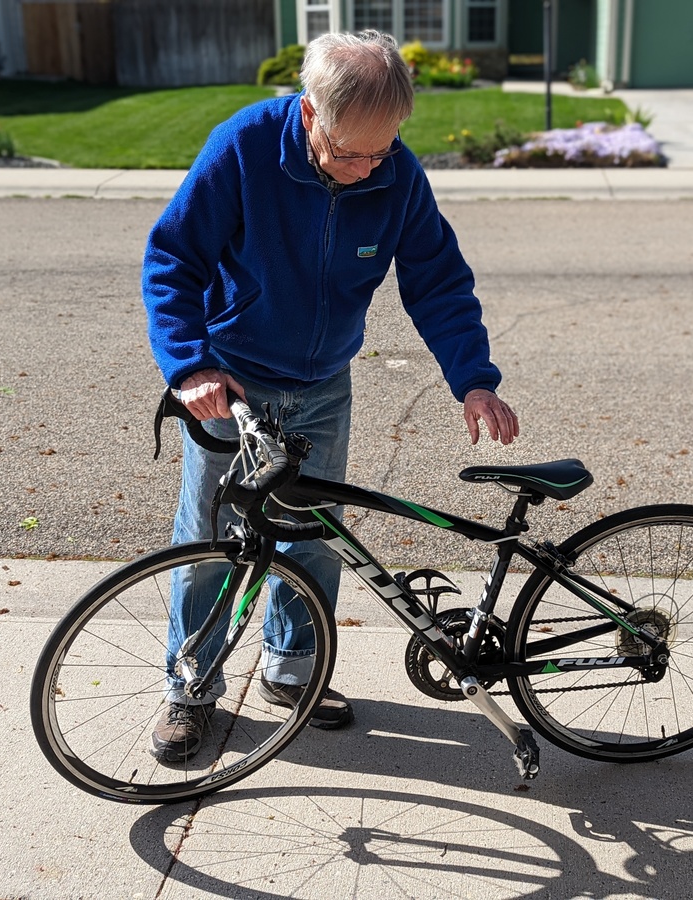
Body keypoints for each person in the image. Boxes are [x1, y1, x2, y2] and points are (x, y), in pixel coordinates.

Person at [141, 29, 519, 763]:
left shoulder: (394, 173)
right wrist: (190, 367)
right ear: (309, 114)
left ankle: (290, 673)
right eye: (349, 152)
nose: (365, 168)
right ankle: (189, 688)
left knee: (312, 542)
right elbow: (174, 258)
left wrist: (472, 378)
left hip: (321, 387)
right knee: (212, 546)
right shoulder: (246, 146)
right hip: (233, 386)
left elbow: (436, 281)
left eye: (379, 151)